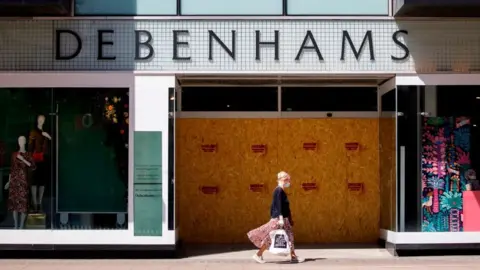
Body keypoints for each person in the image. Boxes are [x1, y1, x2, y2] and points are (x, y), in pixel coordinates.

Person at [247, 171, 305, 264]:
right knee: (272, 237)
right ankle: (258, 254)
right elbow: (278, 206)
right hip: (279, 220)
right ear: (282, 179)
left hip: (282, 219)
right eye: (287, 179)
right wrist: (280, 218)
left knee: (286, 237)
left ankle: (293, 256)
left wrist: (289, 219)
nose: (289, 181)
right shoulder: (278, 190)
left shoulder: (281, 191)